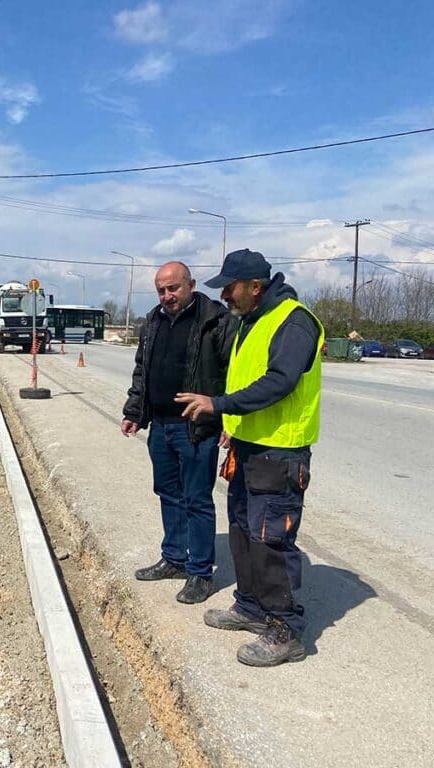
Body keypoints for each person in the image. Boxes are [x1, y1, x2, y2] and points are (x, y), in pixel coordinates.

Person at [176, 249, 323, 667]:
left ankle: (285, 629)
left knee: (270, 538)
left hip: (280, 452)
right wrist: (232, 425)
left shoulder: (294, 321)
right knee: (242, 530)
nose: (224, 295)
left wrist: (219, 404)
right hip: (248, 448)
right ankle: (252, 607)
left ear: (255, 287)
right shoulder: (251, 321)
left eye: (230, 287)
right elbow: (245, 378)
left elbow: (278, 382)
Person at [122, 262, 234, 604]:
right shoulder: (153, 321)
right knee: (168, 493)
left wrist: (228, 417)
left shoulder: (215, 320)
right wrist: (134, 412)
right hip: (161, 426)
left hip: (196, 428)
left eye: (174, 288)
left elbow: (235, 371)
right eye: (161, 290)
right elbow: (142, 370)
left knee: (197, 498)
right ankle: (174, 558)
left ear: (191, 285)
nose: (167, 296)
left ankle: (200, 572)